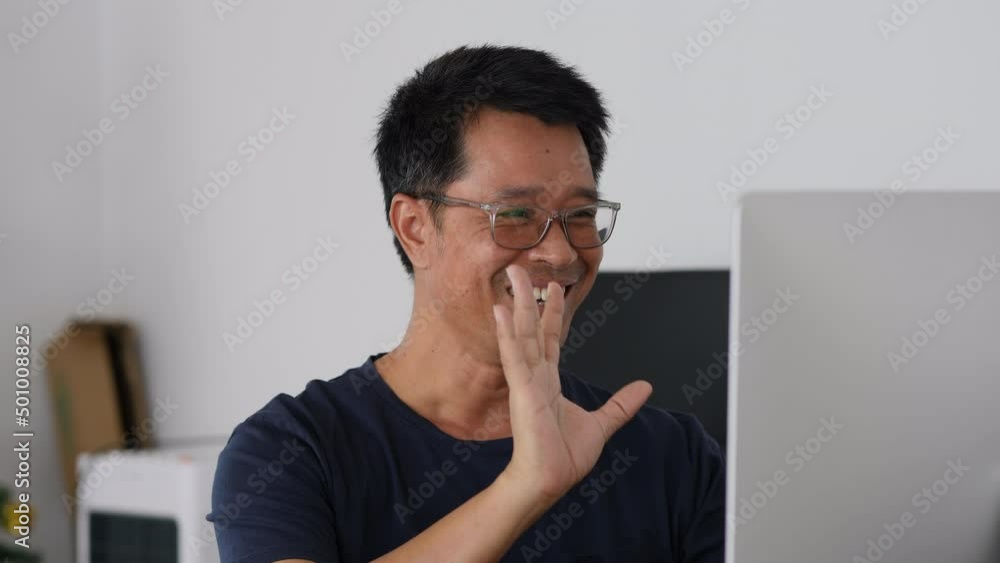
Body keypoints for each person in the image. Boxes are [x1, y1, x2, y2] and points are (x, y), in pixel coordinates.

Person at [208, 44, 725, 563]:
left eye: (582, 215)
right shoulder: (291, 451)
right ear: (415, 228)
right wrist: (526, 486)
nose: (561, 252)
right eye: (516, 214)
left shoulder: (672, 457)